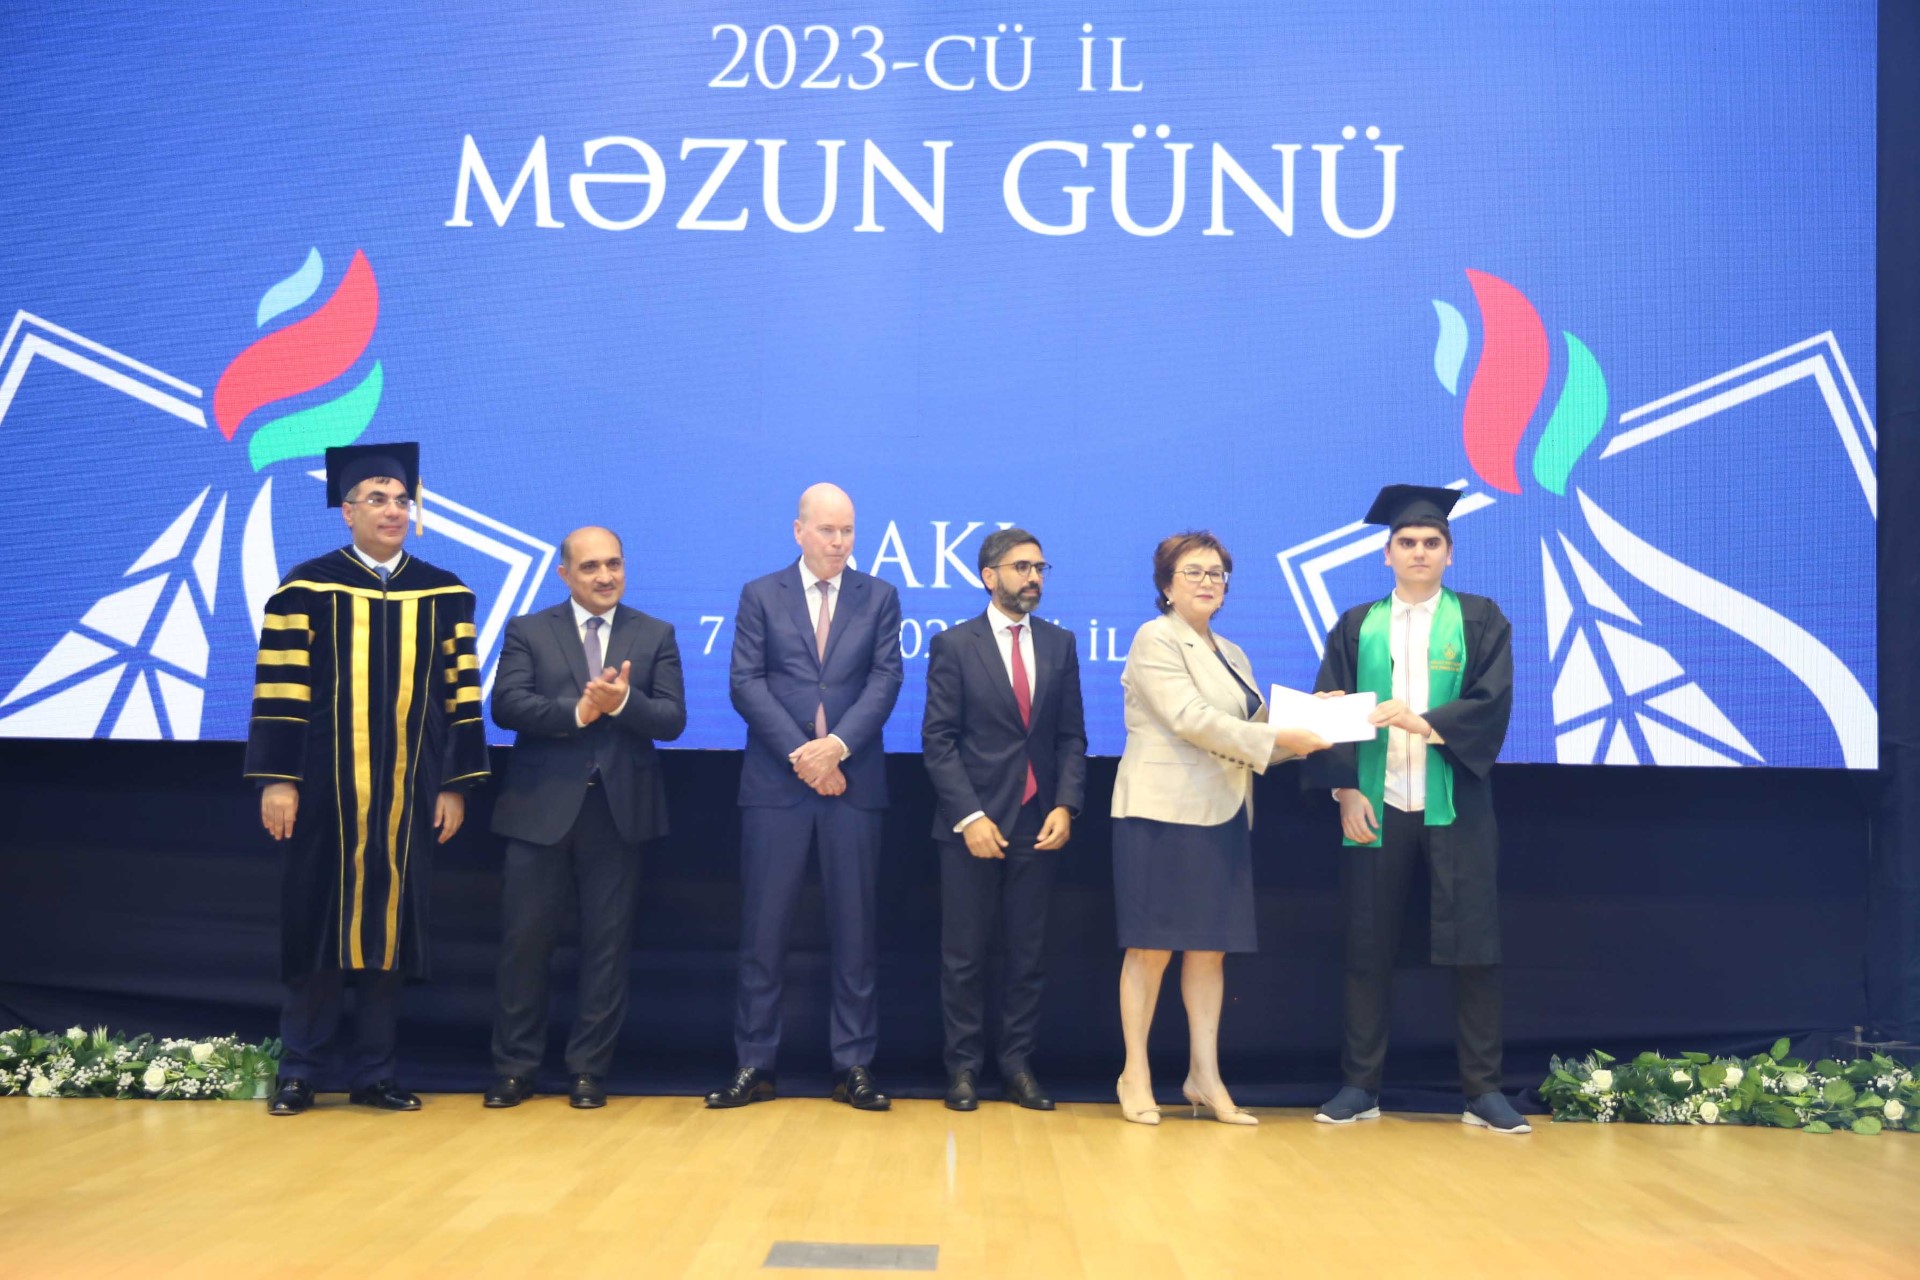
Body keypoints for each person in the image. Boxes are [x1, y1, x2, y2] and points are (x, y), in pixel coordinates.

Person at [245, 443, 489, 1116]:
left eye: (401, 499)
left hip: (410, 791)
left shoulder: (444, 593)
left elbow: (462, 695)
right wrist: (277, 780)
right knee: (318, 922)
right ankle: (301, 1071)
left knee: (389, 933)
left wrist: (455, 784)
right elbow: (279, 690)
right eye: (376, 498)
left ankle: (375, 1073)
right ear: (346, 511)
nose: (392, 510)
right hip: (324, 790)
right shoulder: (306, 587)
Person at [1308, 484, 1526, 1134]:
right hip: (1376, 803)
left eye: (1432, 542)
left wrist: (1422, 721)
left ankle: (1483, 1092)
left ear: (1449, 554)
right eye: (1407, 542)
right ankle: (1360, 1086)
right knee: (1366, 944)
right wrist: (1345, 790)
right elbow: (1329, 708)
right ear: (1387, 554)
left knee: (1475, 945)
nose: (1419, 552)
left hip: (1454, 803)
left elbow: (1492, 702)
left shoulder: (1481, 619)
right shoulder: (1357, 625)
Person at [1110, 531, 1328, 1126]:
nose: (1207, 582)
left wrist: (1316, 722)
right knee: (1151, 949)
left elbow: (1252, 736)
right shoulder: (1155, 638)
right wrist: (1278, 735)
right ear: (1166, 585)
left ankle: (1204, 1077)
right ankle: (1135, 1074)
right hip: (1161, 816)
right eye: (1194, 572)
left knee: (1209, 952)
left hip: (1223, 813)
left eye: (1216, 574)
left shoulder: (1231, 652)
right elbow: (1192, 720)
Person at [707, 483, 904, 1112]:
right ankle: (755, 1063)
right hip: (776, 786)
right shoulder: (761, 594)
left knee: (856, 932)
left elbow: (885, 680)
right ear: (799, 531)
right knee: (763, 932)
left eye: (848, 531)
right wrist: (804, 755)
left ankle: (854, 1065)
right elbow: (745, 683)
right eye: (827, 530)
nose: (839, 542)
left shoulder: (880, 596)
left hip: (853, 784)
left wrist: (836, 748)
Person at [483, 526, 686, 1110]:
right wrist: (578, 711)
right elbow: (506, 706)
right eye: (591, 566)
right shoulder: (529, 630)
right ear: (565, 574)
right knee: (525, 943)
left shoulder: (654, 633)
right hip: (539, 809)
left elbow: (672, 719)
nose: (605, 576)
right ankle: (515, 1068)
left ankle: (589, 1070)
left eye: (614, 564)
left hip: (618, 813)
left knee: (607, 946)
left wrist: (623, 703)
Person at [922, 528, 1087, 1112]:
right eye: (1021, 567)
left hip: (1038, 821)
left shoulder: (1060, 644)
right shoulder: (954, 645)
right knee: (964, 956)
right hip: (972, 825)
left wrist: (1066, 804)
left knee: (1027, 955)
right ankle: (963, 1069)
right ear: (989, 576)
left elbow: (1070, 737)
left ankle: (1017, 1067)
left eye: (1040, 567)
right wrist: (969, 816)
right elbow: (938, 741)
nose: (1033, 577)